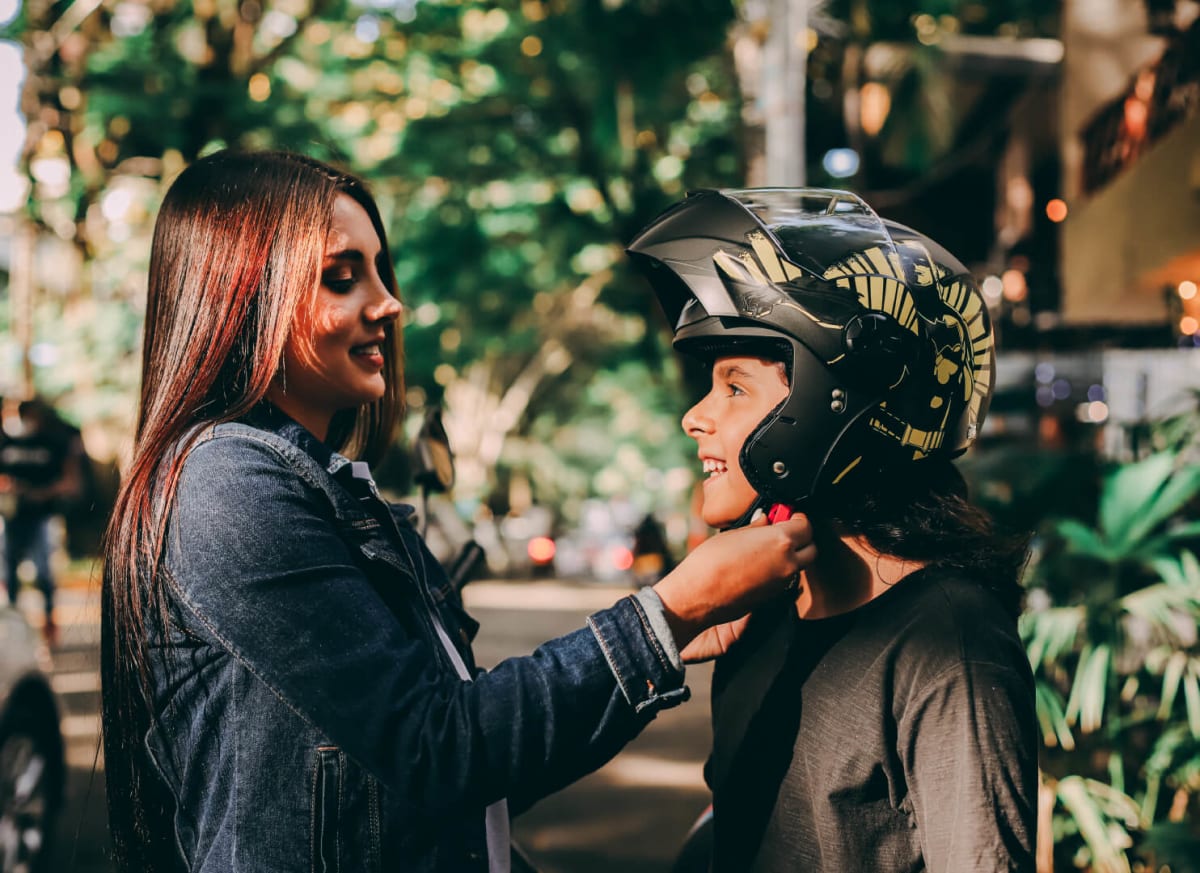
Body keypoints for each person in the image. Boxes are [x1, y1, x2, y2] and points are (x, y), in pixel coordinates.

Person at [100, 150, 816, 873]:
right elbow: (441, 748)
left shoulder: (336, 489)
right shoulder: (226, 482)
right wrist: (670, 610)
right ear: (242, 293)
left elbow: (457, 791)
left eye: (382, 272)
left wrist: (670, 633)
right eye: (342, 277)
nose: (389, 303)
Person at [628, 188, 1038, 871]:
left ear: (829, 402)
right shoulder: (763, 613)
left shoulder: (949, 645)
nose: (694, 417)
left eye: (734, 388)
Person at [0, 396, 86, 645]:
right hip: (13, 517)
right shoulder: (7, 441)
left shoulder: (53, 443)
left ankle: (49, 627)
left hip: (43, 517)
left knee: (45, 574)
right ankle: (14, 630)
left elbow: (71, 483)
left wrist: (41, 493)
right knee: (10, 575)